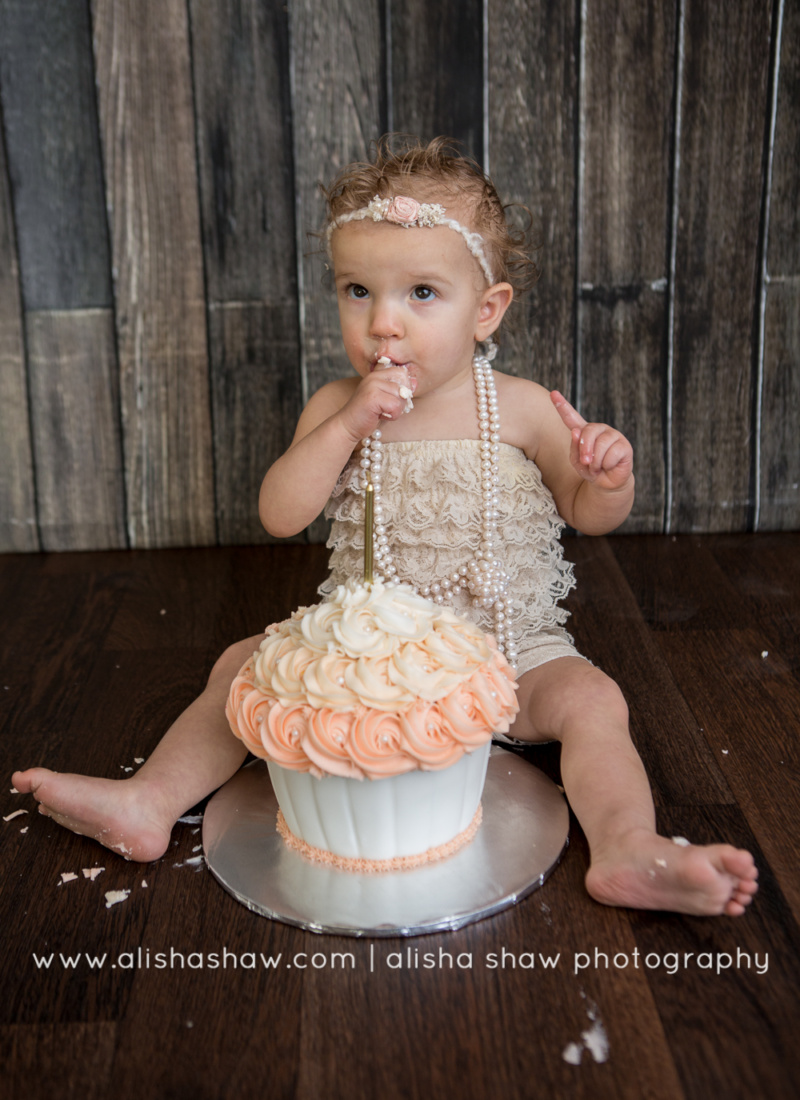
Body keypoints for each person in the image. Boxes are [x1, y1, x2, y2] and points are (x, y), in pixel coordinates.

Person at [13, 136, 757, 916]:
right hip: (370, 667)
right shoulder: (338, 406)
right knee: (241, 664)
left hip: (513, 651)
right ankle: (151, 803)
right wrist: (343, 431)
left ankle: (627, 845)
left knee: (595, 701)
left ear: (487, 309)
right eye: (358, 290)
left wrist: (610, 474)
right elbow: (280, 515)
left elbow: (588, 513)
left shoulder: (524, 407)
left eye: (422, 294)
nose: (384, 325)